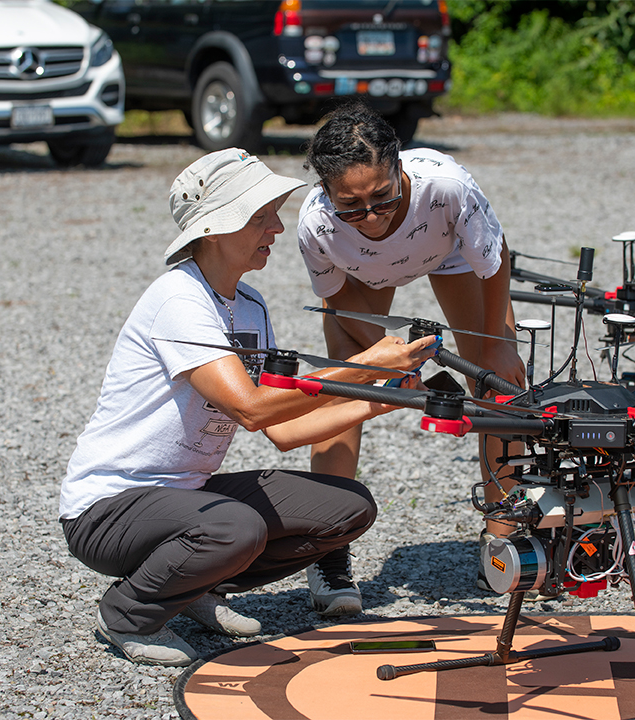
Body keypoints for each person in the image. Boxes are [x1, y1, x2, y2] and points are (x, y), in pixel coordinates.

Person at [59, 148, 438, 667]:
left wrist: (385, 398)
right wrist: (365, 361)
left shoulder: (251, 305)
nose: (276, 229)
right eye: (261, 217)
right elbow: (252, 408)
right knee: (237, 527)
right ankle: (129, 611)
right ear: (216, 228)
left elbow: (285, 429)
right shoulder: (180, 299)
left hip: (185, 495)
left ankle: (188, 587)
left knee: (348, 508)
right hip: (107, 510)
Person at [297, 101, 526, 614]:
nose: (372, 216)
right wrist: (392, 363)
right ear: (326, 193)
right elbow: (341, 305)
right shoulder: (318, 224)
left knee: (499, 386)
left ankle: (504, 536)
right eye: (351, 206)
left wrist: (498, 344)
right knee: (341, 388)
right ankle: (328, 549)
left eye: (382, 197)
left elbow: (493, 260)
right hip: (362, 275)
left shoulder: (447, 187)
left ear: (400, 171)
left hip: (446, 251)